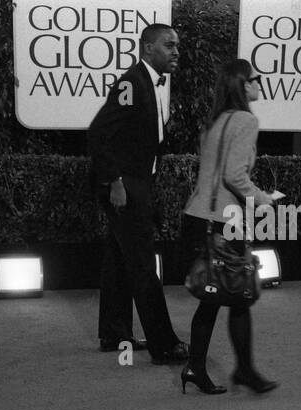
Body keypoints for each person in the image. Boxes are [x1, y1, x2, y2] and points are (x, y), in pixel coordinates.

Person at [87, 23, 190, 364]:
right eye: (168, 45)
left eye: (177, 46)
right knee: (144, 266)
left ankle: (114, 334)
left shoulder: (147, 82)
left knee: (119, 263)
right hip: (127, 187)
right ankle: (164, 345)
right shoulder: (133, 82)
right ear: (147, 48)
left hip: (138, 183)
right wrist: (115, 182)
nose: (176, 51)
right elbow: (100, 133)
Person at [179, 59, 279, 395]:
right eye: (257, 78)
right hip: (222, 222)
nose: (260, 83)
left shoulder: (214, 121)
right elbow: (234, 175)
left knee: (212, 294)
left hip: (198, 217)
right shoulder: (247, 120)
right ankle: (244, 371)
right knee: (238, 295)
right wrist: (262, 198)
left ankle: (200, 367)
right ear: (242, 85)